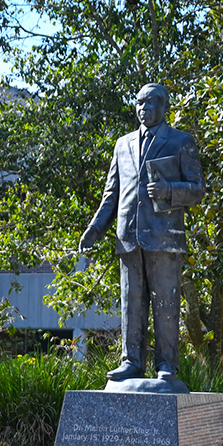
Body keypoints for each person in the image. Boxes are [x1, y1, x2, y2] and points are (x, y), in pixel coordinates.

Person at [79, 83, 205, 382]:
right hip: (128, 236)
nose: (143, 109)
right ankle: (131, 361)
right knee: (131, 301)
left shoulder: (181, 141)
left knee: (165, 303)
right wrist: (96, 228)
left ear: (164, 108)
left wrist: (168, 190)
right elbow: (112, 194)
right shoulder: (122, 144)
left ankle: (166, 365)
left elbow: (198, 189)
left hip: (164, 236)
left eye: (150, 104)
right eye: (139, 103)